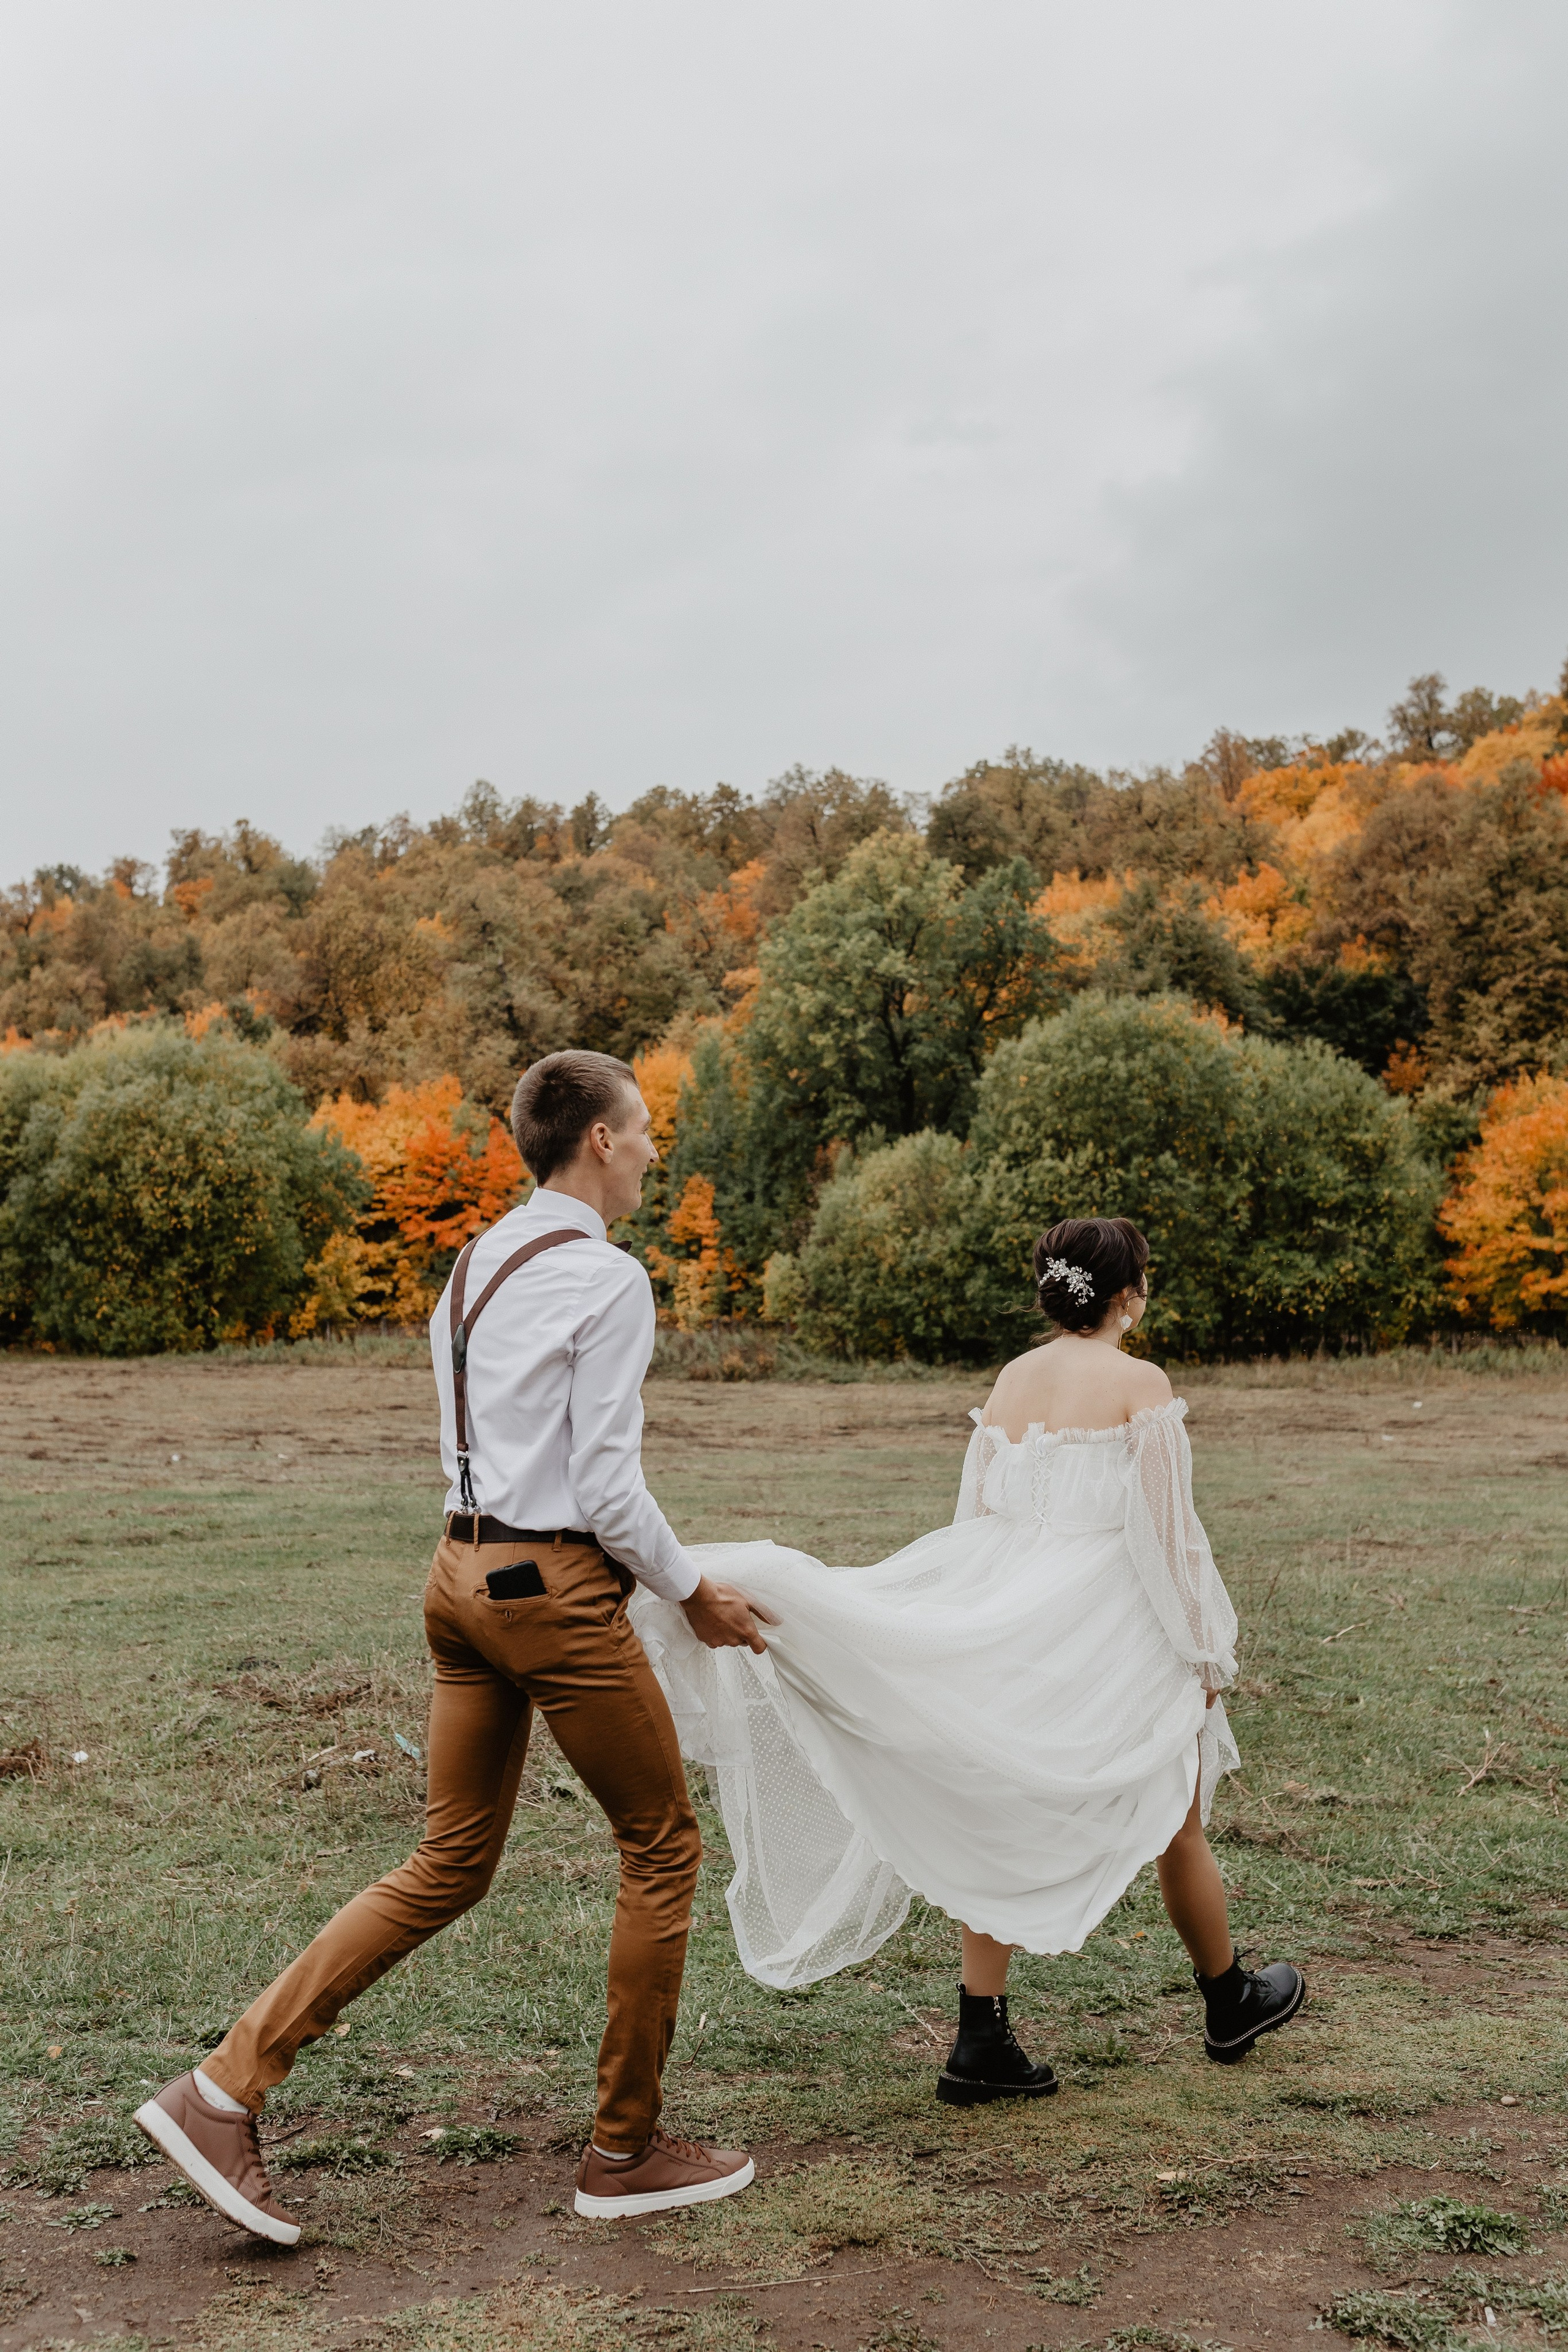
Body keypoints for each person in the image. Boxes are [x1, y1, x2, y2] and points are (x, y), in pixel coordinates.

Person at [135, 1049, 771, 2243]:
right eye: (640, 1129)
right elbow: (606, 1487)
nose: (650, 1148)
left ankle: (221, 2089)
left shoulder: (473, 1262)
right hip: (549, 1590)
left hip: (457, 1577)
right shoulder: (607, 1278)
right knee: (661, 1844)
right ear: (593, 1141)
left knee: (449, 1862)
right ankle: (624, 2152)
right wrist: (693, 1596)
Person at [631, 1215, 1305, 2098]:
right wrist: (1204, 1652)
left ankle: (981, 2037)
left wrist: (968, 1620)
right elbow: (1168, 1540)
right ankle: (1229, 1999)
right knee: (1176, 1812)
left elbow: (977, 1516)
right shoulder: (1141, 1383)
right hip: (1104, 1622)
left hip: (1010, 1603)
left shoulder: (1015, 1379)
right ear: (1128, 1294)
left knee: (994, 1800)